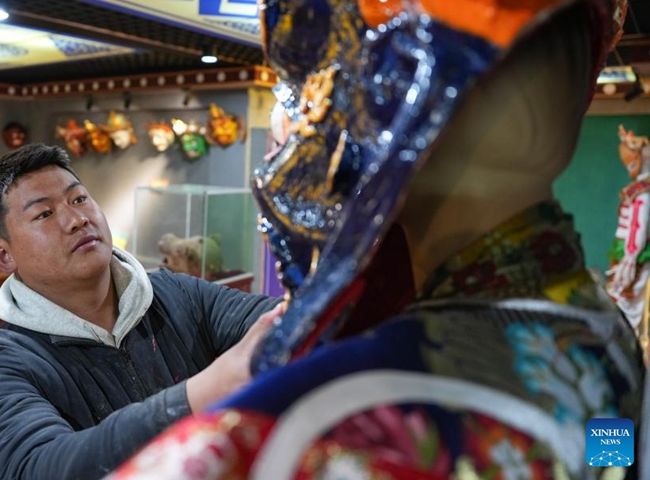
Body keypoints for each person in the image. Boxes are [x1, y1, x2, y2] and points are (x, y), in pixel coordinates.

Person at [111, 0, 647, 478]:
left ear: (525, 117)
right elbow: (610, 461)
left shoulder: (295, 433)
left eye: (363, 79)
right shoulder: (602, 332)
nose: (313, 126)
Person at [0, 143, 282, 480]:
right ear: (4, 256)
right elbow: (37, 467)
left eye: (79, 198)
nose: (77, 219)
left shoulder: (178, 293)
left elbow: (275, 319)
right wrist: (196, 397)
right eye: (44, 214)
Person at [608, 124, 650, 363]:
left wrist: (630, 258)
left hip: (635, 255)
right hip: (629, 252)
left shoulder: (642, 193)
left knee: (627, 299)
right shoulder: (639, 191)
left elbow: (638, 227)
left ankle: (632, 349)